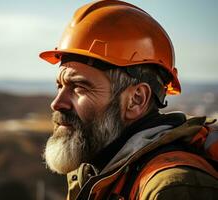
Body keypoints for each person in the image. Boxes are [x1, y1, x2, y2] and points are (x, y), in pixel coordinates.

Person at [39, 0, 218, 199]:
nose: (57, 103)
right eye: (60, 86)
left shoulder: (171, 189)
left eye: (79, 87)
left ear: (136, 100)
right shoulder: (91, 172)